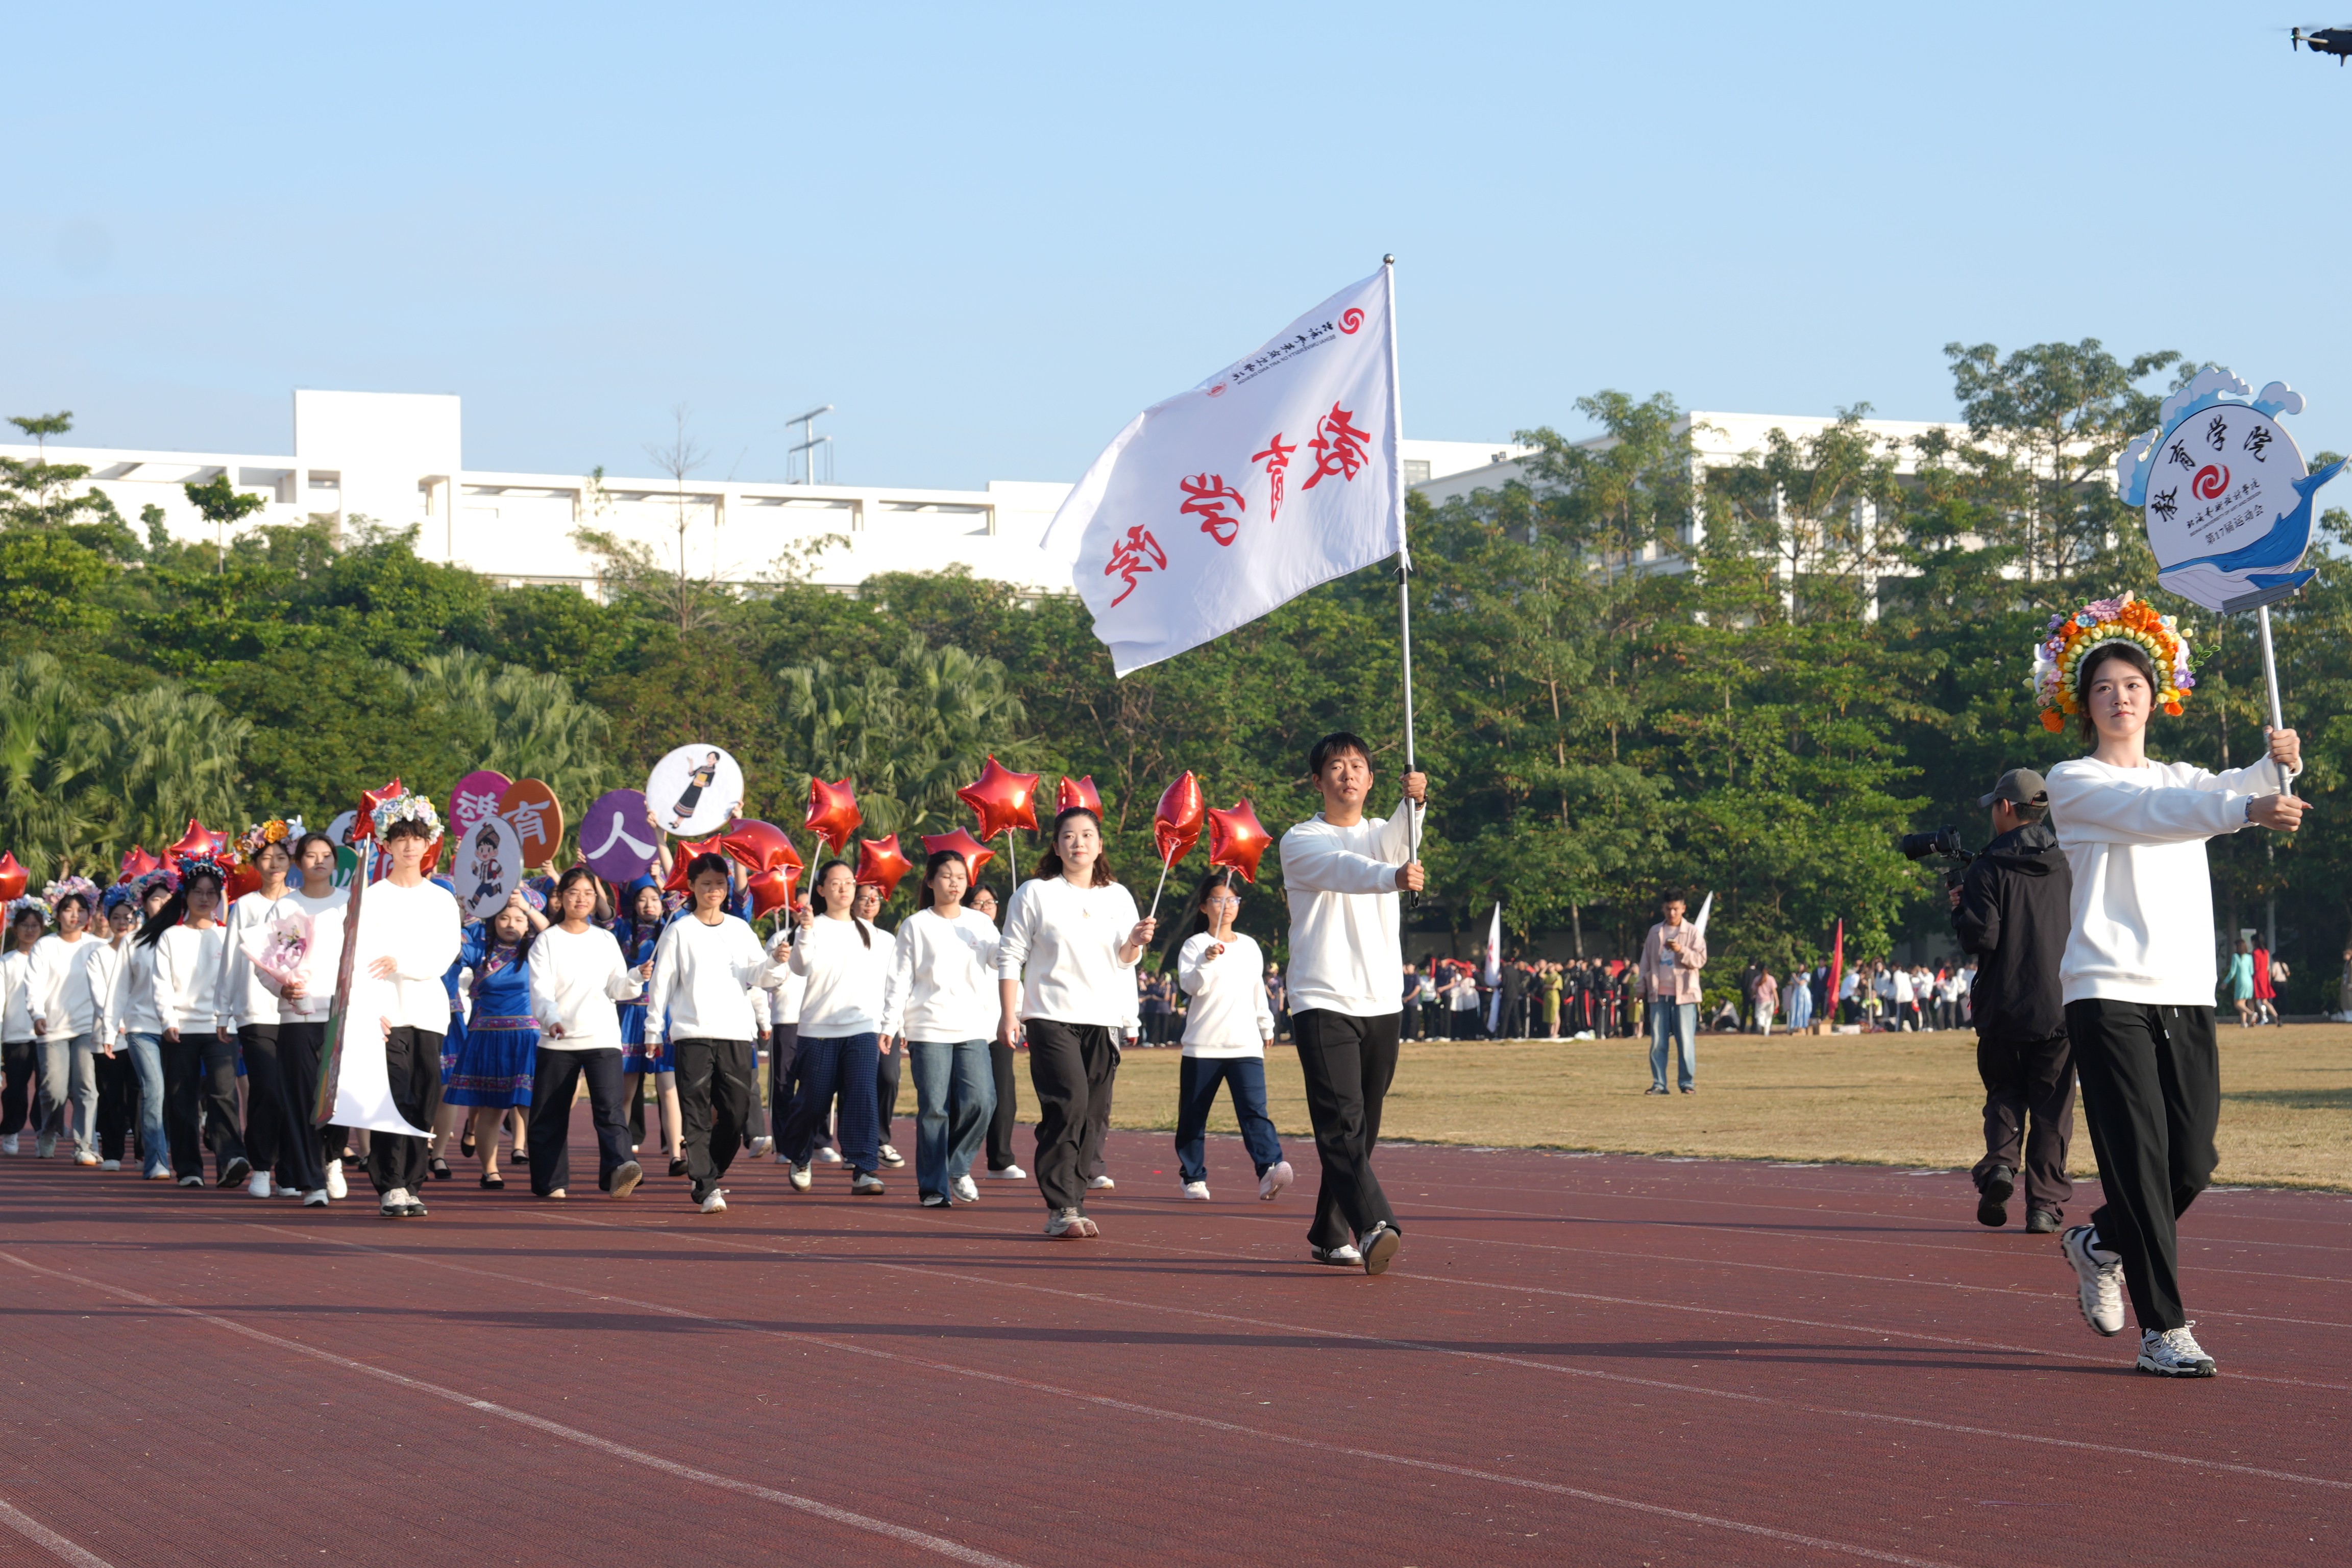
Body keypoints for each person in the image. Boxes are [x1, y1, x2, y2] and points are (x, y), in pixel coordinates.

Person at [2043, 606, 2306, 1378]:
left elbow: (2233, 788)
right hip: (2106, 989)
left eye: (2132, 685)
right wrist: (2247, 806)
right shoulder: (2074, 783)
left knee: (2190, 1161)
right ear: (2084, 704)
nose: (2120, 697)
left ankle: (2100, 1242)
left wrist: (2281, 763)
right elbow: (2158, 814)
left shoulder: (2187, 779)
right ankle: (2164, 1330)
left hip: (2185, 989)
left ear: (2156, 697)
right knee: (2137, 1158)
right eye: (2104, 687)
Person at [1278, 731, 1426, 1275]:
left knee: (1362, 1129)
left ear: (1370, 779)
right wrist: (1393, 876)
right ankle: (1374, 1225)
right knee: (1341, 1124)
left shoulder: (1380, 834)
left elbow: (1397, 842)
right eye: (1336, 767)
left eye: (1358, 766)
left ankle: (1328, 1231)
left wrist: (1415, 803)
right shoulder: (1302, 840)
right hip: (1323, 998)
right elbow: (1349, 869)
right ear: (1318, 781)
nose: (1348, 774)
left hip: (1381, 999)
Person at [996, 805, 1152, 1240]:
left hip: (1101, 1019)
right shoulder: (1035, 893)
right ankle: (1061, 1206)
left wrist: (1135, 942)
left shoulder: (1118, 896)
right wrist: (1009, 1014)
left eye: (1087, 835)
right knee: (1070, 1104)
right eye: (1069, 835)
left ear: (1100, 845)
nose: (1078, 842)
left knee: (1093, 1115)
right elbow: (1010, 955)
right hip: (1050, 1015)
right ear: (1056, 846)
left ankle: (1075, 1201)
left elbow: (1125, 960)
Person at [1950, 766, 2076, 1235]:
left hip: (2003, 1004)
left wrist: (1961, 910)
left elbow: (1981, 938)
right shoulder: (2069, 862)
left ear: (2005, 808)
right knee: (2053, 1109)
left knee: (2004, 1093)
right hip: (2061, 1005)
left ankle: (2001, 1165)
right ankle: (2044, 1206)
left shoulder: (1987, 868)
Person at [648, 851, 781, 1213]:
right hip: (692, 1034)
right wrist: (653, 1029)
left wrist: (776, 962)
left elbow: (759, 977)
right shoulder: (679, 931)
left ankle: (708, 1171)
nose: (714, 890)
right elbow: (661, 984)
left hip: (735, 1033)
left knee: (736, 1114)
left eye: (720, 884)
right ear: (691, 886)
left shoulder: (740, 929)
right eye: (706, 883)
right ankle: (706, 1186)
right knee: (695, 1111)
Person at [353, 798, 464, 1219]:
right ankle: (390, 1184)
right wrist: (370, 1008)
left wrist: (400, 962)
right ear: (386, 845)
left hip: (429, 1012)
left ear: (428, 843)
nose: (409, 847)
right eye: (400, 839)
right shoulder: (372, 898)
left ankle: (413, 1183)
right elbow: (359, 958)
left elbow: (445, 955)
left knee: (424, 1097)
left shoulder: (441, 899)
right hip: (386, 1013)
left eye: (417, 839)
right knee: (393, 1096)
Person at [880, 850, 999, 1207]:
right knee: (934, 1108)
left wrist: (1011, 940)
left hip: (972, 1027)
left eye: (961, 877)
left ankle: (957, 1167)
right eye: (946, 876)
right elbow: (899, 979)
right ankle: (934, 1187)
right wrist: (890, 1023)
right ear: (931, 881)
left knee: (982, 1100)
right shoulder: (916, 925)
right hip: (928, 1027)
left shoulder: (980, 924)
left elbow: (1000, 959)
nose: (954, 883)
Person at [1171, 867, 1290, 1203]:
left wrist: (1266, 1025)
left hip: (1245, 1044)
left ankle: (1269, 1170)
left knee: (1255, 1110)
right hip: (1204, 1045)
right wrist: (1207, 960)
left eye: (1233, 900)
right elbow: (1192, 987)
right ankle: (1193, 1177)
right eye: (1218, 900)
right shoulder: (1195, 945)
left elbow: (1257, 990)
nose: (1226, 906)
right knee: (1194, 1116)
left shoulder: (1250, 946)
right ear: (1204, 906)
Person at [528, 866, 646, 1200]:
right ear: (561, 897)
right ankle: (551, 1182)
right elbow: (541, 991)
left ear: (596, 899)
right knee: (550, 1113)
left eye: (588, 894)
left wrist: (637, 976)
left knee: (610, 1110)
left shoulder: (605, 939)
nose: (581, 899)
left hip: (602, 1037)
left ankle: (620, 1169)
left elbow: (618, 988)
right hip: (558, 1040)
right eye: (574, 893)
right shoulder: (547, 941)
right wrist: (551, 1019)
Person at [778, 860, 891, 1196]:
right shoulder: (811, 928)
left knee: (862, 1097)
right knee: (814, 1101)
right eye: (836, 883)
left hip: (862, 1028)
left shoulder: (873, 933)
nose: (844, 888)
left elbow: (890, 982)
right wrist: (805, 932)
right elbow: (800, 968)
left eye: (850, 882)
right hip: (818, 1029)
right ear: (822, 889)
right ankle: (800, 1156)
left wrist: (892, 1023)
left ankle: (864, 1168)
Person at [259, 831, 351, 1204]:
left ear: (335, 862)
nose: (319, 861)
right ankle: (313, 1182)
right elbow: (266, 961)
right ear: (299, 863)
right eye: (311, 855)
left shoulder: (349, 903)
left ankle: (332, 1158)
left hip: (340, 1014)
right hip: (298, 1015)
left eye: (326, 855)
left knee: (338, 1095)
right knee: (300, 1098)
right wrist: (281, 988)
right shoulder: (285, 908)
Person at [445, 892, 548, 1189]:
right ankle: (490, 1171)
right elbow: (448, 948)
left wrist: (528, 907)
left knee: (531, 1108)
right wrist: (460, 913)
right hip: (487, 1038)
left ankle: (544, 1171)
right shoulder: (480, 950)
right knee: (489, 1109)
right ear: (493, 921)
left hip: (527, 1039)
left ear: (528, 924)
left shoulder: (539, 949)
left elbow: (556, 935)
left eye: (519, 919)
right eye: (504, 918)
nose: (511, 924)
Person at [220, 831, 299, 1196]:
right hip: (255, 1010)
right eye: (267, 858)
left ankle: (290, 1171)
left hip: (295, 1010)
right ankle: (262, 1167)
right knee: (266, 1089)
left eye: (281, 858)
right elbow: (231, 959)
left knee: (292, 1093)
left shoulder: (299, 904)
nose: (274, 865)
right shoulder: (245, 906)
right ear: (255, 864)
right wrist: (223, 1011)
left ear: (291, 862)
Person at [31, 882, 124, 1168]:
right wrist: (37, 1013)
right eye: (69, 909)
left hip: (88, 1028)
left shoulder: (97, 946)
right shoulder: (45, 945)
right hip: (53, 1029)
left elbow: (113, 985)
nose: (75, 915)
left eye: (81, 910)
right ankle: (48, 1131)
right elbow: (33, 985)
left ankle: (85, 1145)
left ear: (90, 914)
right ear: (57, 913)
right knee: (54, 1091)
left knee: (86, 1087)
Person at [105, 878, 177, 1180]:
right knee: (154, 1090)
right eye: (156, 899)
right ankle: (156, 1160)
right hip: (141, 1027)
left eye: (168, 898)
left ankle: (177, 1154)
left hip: (178, 1028)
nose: (162, 904)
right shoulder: (133, 941)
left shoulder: (181, 936)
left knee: (176, 1094)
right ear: (144, 904)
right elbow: (119, 988)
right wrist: (110, 1030)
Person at [611, 879, 683, 1175]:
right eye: (642, 899)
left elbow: (679, 897)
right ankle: (623, 1155)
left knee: (669, 1089)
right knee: (626, 1092)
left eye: (655, 899)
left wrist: (661, 863)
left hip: (662, 1014)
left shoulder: (673, 928)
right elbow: (603, 911)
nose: (648, 904)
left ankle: (676, 1155)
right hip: (630, 1015)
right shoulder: (622, 930)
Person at [965, 884, 1026, 1182]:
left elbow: (1014, 978)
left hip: (999, 1025)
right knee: (971, 1098)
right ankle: (955, 1159)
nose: (985, 908)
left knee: (1004, 1092)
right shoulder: (960, 935)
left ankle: (1000, 1160)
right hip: (964, 1027)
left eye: (990, 902)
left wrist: (1019, 1015)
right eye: (978, 903)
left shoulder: (1005, 939)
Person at [854, 879, 905, 1169]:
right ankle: (856, 1146)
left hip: (886, 1022)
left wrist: (901, 1025)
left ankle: (880, 1139)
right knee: (856, 1083)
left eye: (875, 898)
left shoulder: (888, 940)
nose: (870, 902)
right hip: (854, 1022)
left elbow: (899, 983)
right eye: (864, 897)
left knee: (889, 1078)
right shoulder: (844, 935)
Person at [1640, 894, 1706, 1095]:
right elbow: (1645, 962)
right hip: (1658, 994)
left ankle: (1687, 1083)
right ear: (1663, 909)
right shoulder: (1655, 932)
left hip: (1685, 996)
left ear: (1683, 908)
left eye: (1676, 909)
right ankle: (1659, 1084)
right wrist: (1640, 988)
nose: (1672, 913)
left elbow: (1700, 960)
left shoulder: (1692, 932)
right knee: (1658, 1042)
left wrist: (1681, 950)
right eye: (1669, 909)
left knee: (1685, 1041)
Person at [2, 900, 49, 1155]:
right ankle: (11, 1130)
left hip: (46, 1034)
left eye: (35, 926)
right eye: (25, 925)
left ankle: (43, 1132)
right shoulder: (6, 962)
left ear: (42, 929)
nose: (30, 931)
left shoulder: (49, 960)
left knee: (47, 1088)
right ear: (15, 929)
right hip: (16, 1035)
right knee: (16, 1089)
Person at [2223, 939, 2255, 1027]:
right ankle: (2244, 1023)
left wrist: (2225, 982)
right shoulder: (2249, 957)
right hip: (2250, 982)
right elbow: (2252, 971)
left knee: (2237, 1004)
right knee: (2243, 1003)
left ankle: (2252, 1014)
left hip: (2241, 982)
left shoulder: (2235, 957)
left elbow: (2232, 972)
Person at [1752, 967, 1778, 1037]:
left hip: (1760, 1000)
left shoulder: (1757, 979)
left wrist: (1753, 996)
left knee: (1760, 1015)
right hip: (1770, 1000)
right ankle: (1767, 1032)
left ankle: (1762, 1025)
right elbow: (1774, 991)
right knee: (1769, 1017)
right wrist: (1777, 1001)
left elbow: (1754, 990)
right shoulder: (1771, 979)